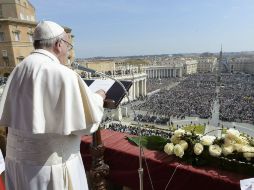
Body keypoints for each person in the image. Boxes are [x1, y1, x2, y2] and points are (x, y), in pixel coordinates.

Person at [0, 21, 106, 190]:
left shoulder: (18, 70)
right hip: (51, 169)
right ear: (59, 45)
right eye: (68, 46)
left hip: (17, 165)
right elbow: (86, 123)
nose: (67, 52)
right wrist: (99, 98)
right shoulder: (63, 74)